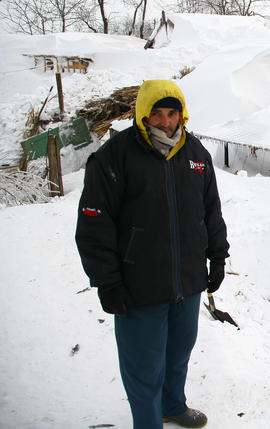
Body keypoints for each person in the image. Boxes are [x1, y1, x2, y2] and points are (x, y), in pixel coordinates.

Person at [75, 79, 229, 429]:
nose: (165, 122)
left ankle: (172, 405)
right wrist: (107, 282)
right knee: (143, 368)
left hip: (187, 282)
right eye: (156, 114)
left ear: (181, 115)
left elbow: (211, 211)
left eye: (172, 114)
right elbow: (94, 225)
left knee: (178, 355)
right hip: (138, 286)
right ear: (143, 114)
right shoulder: (114, 157)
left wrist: (218, 257)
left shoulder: (196, 154)